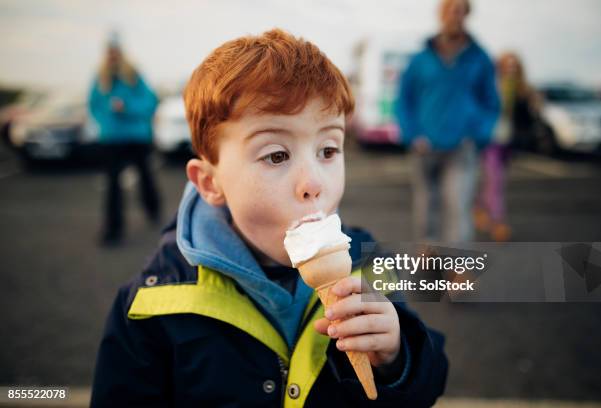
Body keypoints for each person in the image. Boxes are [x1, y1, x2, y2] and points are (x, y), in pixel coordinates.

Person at [91, 29, 448, 407]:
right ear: (210, 183)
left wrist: (397, 359)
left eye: (328, 150)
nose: (313, 183)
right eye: (277, 155)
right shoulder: (154, 303)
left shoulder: (368, 265)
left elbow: (428, 382)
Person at [395, 0, 500, 243]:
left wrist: (477, 136)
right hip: (424, 146)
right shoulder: (420, 59)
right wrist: (412, 134)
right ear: (440, 14)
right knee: (425, 206)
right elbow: (404, 101)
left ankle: (458, 267)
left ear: (466, 14)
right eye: (449, 9)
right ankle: (428, 254)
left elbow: (491, 104)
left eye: (459, 10)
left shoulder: (480, 58)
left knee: (458, 206)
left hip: (461, 148)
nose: (454, 14)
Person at [88, 33, 161, 246]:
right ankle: (113, 229)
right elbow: (94, 105)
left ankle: (153, 208)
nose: (112, 56)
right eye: (109, 52)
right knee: (112, 185)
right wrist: (106, 123)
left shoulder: (133, 75)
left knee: (145, 176)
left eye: (115, 52)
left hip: (137, 137)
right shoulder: (100, 78)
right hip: (112, 139)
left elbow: (149, 102)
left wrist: (126, 108)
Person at [473, 52, 541, 241]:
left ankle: (479, 208)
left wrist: (533, 104)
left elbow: (527, 118)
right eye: (506, 65)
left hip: (510, 141)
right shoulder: (491, 87)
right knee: (496, 180)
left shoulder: (523, 90)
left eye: (514, 66)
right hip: (491, 140)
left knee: (493, 180)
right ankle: (498, 221)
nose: (510, 69)